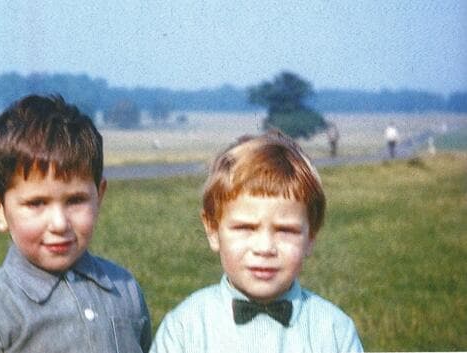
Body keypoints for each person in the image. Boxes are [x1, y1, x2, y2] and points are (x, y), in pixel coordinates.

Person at [0, 95, 152, 353]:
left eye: (76, 200)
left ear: (99, 197)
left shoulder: (125, 290)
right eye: (36, 203)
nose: (59, 223)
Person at [150, 130, 363, 353]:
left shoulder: (335, 331)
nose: (265, 248)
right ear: (213, 230)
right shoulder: (185, 328)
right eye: (245, 228)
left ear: (311, 236)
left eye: (286, 230)